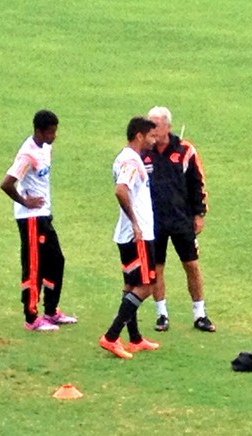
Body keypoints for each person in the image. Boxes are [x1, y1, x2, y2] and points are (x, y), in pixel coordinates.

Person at [0, 109, 77, 332]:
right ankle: (31, 317)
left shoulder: (46, 148)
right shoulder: (28, 154)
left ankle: (51, 311)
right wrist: (25, 201)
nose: (54, 136)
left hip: (44, 216)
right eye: (51, 132)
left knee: (56, 261)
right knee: (34, 266)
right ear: (39, 131)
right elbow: (6, 184)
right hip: (31, 219)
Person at [144, 106, 216, 333]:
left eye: (155, 124)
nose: (152, 130)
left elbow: (198, 183)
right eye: (149, 124)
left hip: (181, 219)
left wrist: (199, 213)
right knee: (156, 268)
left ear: (168, 126)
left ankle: (200, 314)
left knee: (192, 265)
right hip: (153, 221)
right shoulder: (143, 152)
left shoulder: (185, 151)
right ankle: (161, 314)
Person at [99, 116, 161, 359]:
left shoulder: (125, 157)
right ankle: (111, 336)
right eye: (151, 136)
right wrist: (136, 223)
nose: (154, 141)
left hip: (127, 234)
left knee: (131, 285)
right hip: (138, 235)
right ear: (139, 136)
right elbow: (121, 189)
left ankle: (134, 338)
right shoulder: (132, 162)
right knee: (146, 286)